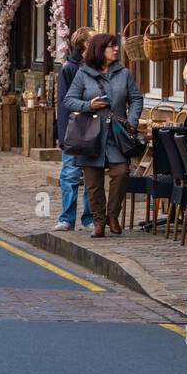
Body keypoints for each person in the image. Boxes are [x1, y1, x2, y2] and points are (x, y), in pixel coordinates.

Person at [62, 32, 144, 237]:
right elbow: (69, 100)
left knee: (122, 172)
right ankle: (98, 222)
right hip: (90, 134)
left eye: (116, 45)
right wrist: (88, 105)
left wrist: (132, 122)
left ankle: (113, 215)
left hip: (116, 135)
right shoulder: (83, 74)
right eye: (111, 46)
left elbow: (136, 98)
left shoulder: (123, 73)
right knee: (93, 182)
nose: (116, 49)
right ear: (100, 50)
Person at [54, 26, 96, 232]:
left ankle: (89, 218)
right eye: (94, 40)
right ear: (86, 44)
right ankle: (66, 218)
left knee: (91, 175)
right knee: (70, 174)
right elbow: (62, 103)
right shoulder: (69, 69)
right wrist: (62, 135)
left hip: (95, 128)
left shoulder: (98, 67)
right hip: (74, 129)